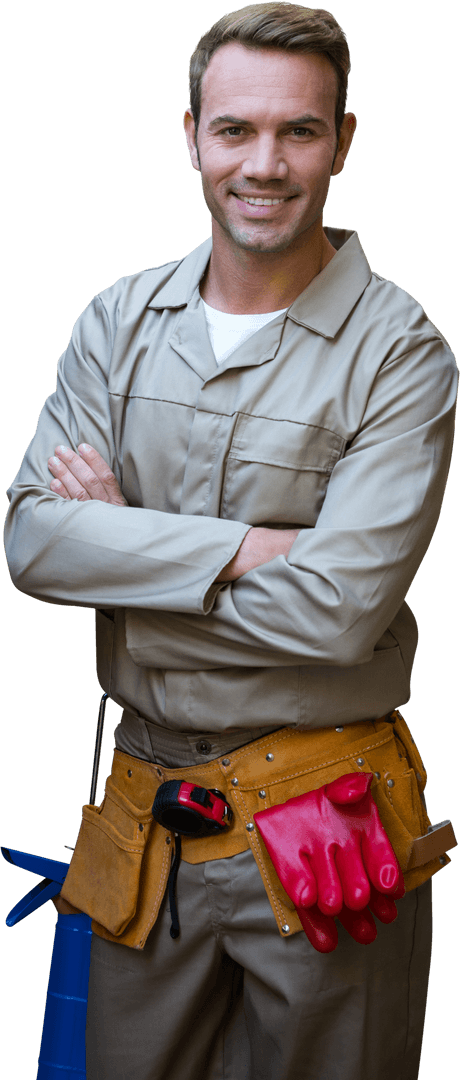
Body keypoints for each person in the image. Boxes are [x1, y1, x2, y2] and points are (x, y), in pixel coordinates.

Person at [4, 4, 458, 1079]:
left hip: (323, 830)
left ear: (343, 143)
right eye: (235, 130)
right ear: (190, 136)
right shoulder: (116, 322)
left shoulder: (401, 354)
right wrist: (248, 549)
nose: (264, 164)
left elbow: (339, 614)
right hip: (142, 829)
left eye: (298, 132)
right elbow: (29, 541)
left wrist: (120, 552)